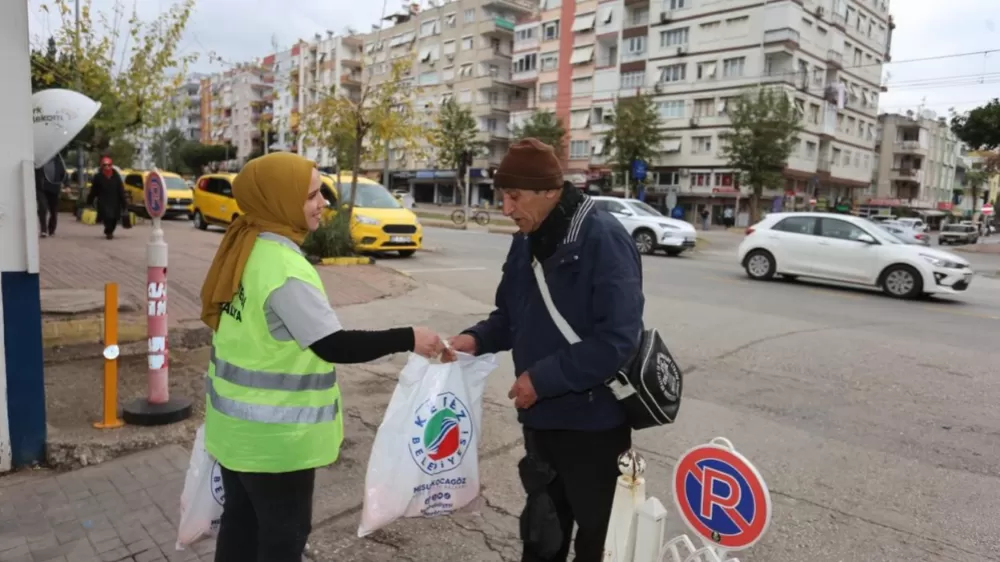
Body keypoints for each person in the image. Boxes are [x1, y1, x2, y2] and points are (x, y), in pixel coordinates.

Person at [199, 153, 445, 562]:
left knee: (241, 528)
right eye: (311, 195)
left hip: (233, 433)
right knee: (282, 538)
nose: (321, 203)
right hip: (275, 443)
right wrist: (408, 337)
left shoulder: (246, 247)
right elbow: (333, 345)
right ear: (278, 199)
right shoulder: (283, 267)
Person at [443, 138, 644, 562]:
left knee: (596, 541)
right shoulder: (526, 237)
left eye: (514, 197)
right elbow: (510, 315)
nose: (506, 209)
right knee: (542, 533)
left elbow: (618, 340)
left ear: (550, 192)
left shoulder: (603, 238)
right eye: (503, 197)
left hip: (594, 428)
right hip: (541, 423)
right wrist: (475, 339)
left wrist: (542, 378)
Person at [85, 156, 128, 239]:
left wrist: (124, 203)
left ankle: (110, 230)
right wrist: (89, 201)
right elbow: (94, 190)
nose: (107, 167)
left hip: (115, 200)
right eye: (105, 165)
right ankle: (109, 231)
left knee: (114, 218)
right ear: (102, 166)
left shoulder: (116, 176)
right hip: (103, 200)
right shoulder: (98, 177)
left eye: (108, 165)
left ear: (111, 165)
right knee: (107, 217)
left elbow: (121, 190)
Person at [35, 154, 67, 237]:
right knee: (43, 207)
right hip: (42, 188)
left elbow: (63, 173)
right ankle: (43, 230)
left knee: (54, 211)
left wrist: (67, 185)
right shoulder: (40, 160)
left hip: (54, 188)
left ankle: (51, 229)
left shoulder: (58, 160)